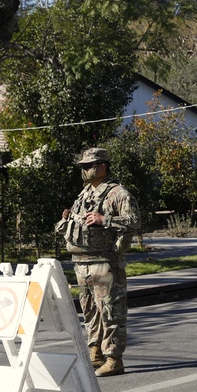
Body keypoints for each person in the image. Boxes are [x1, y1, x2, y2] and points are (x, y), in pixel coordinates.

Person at [56, 147, 141, 377]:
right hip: (82, 263)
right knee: (90, 311)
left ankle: (114, 358)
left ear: (102, 166)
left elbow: (135, 221)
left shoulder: (118, 193)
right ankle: (95, 351)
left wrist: (105, 219)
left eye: (88, 166)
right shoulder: (84, 194)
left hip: (105, 262)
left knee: (111, 311)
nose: (84, 170)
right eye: (82, 167)